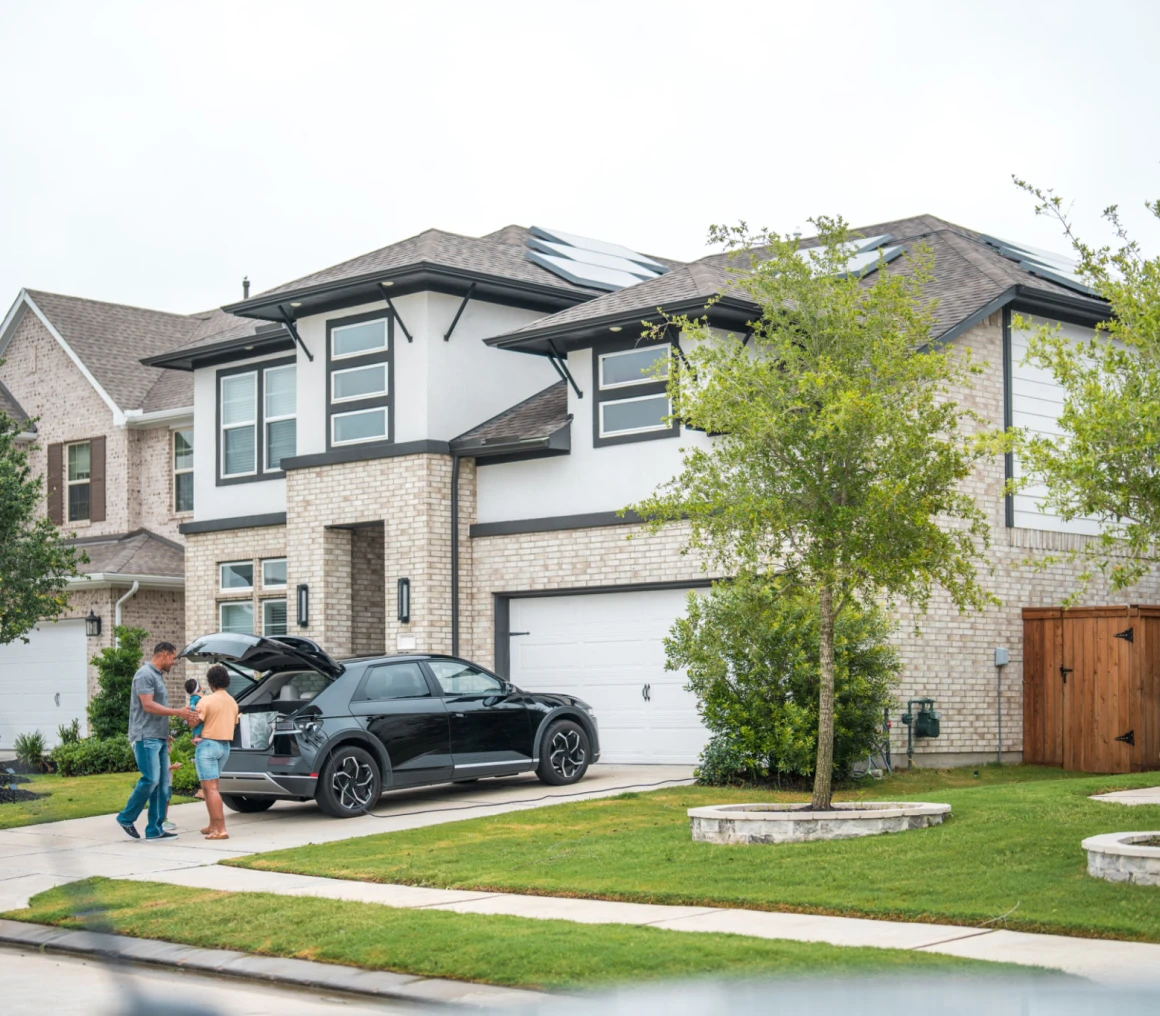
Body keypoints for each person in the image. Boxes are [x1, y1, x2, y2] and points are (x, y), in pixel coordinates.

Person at [115, 641, 198, 840]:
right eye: (173, 658)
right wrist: (179, 712)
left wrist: (165, 731)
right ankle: (126, 817)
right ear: (163, 654)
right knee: (151, 779)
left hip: (157, 736)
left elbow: (156, 709)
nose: (174, 663)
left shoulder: (157, 676)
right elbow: (148, 705)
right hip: (145, 736)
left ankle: (155, 829)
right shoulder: (144, 674)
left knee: (161, 785)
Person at [193, 664, 240, 840]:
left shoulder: (206, 701)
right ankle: (213, 824)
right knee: (210, 788)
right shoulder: (232, 702)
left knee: (210, 788)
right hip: (224, 747)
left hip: (208, 746)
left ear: (211, 682)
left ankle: (220, 829)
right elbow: (233, 724)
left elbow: (193, 722)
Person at [185, 677, 207, 802]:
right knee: (197, 729)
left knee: (199, 727)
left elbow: (202, 696)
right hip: (197, 718)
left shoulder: (198, 695)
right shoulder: (194, 698)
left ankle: (196, 737)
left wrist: (202, 692)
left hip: (198, 718)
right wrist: (196, 709)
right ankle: (196, 738)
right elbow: (192, 706)